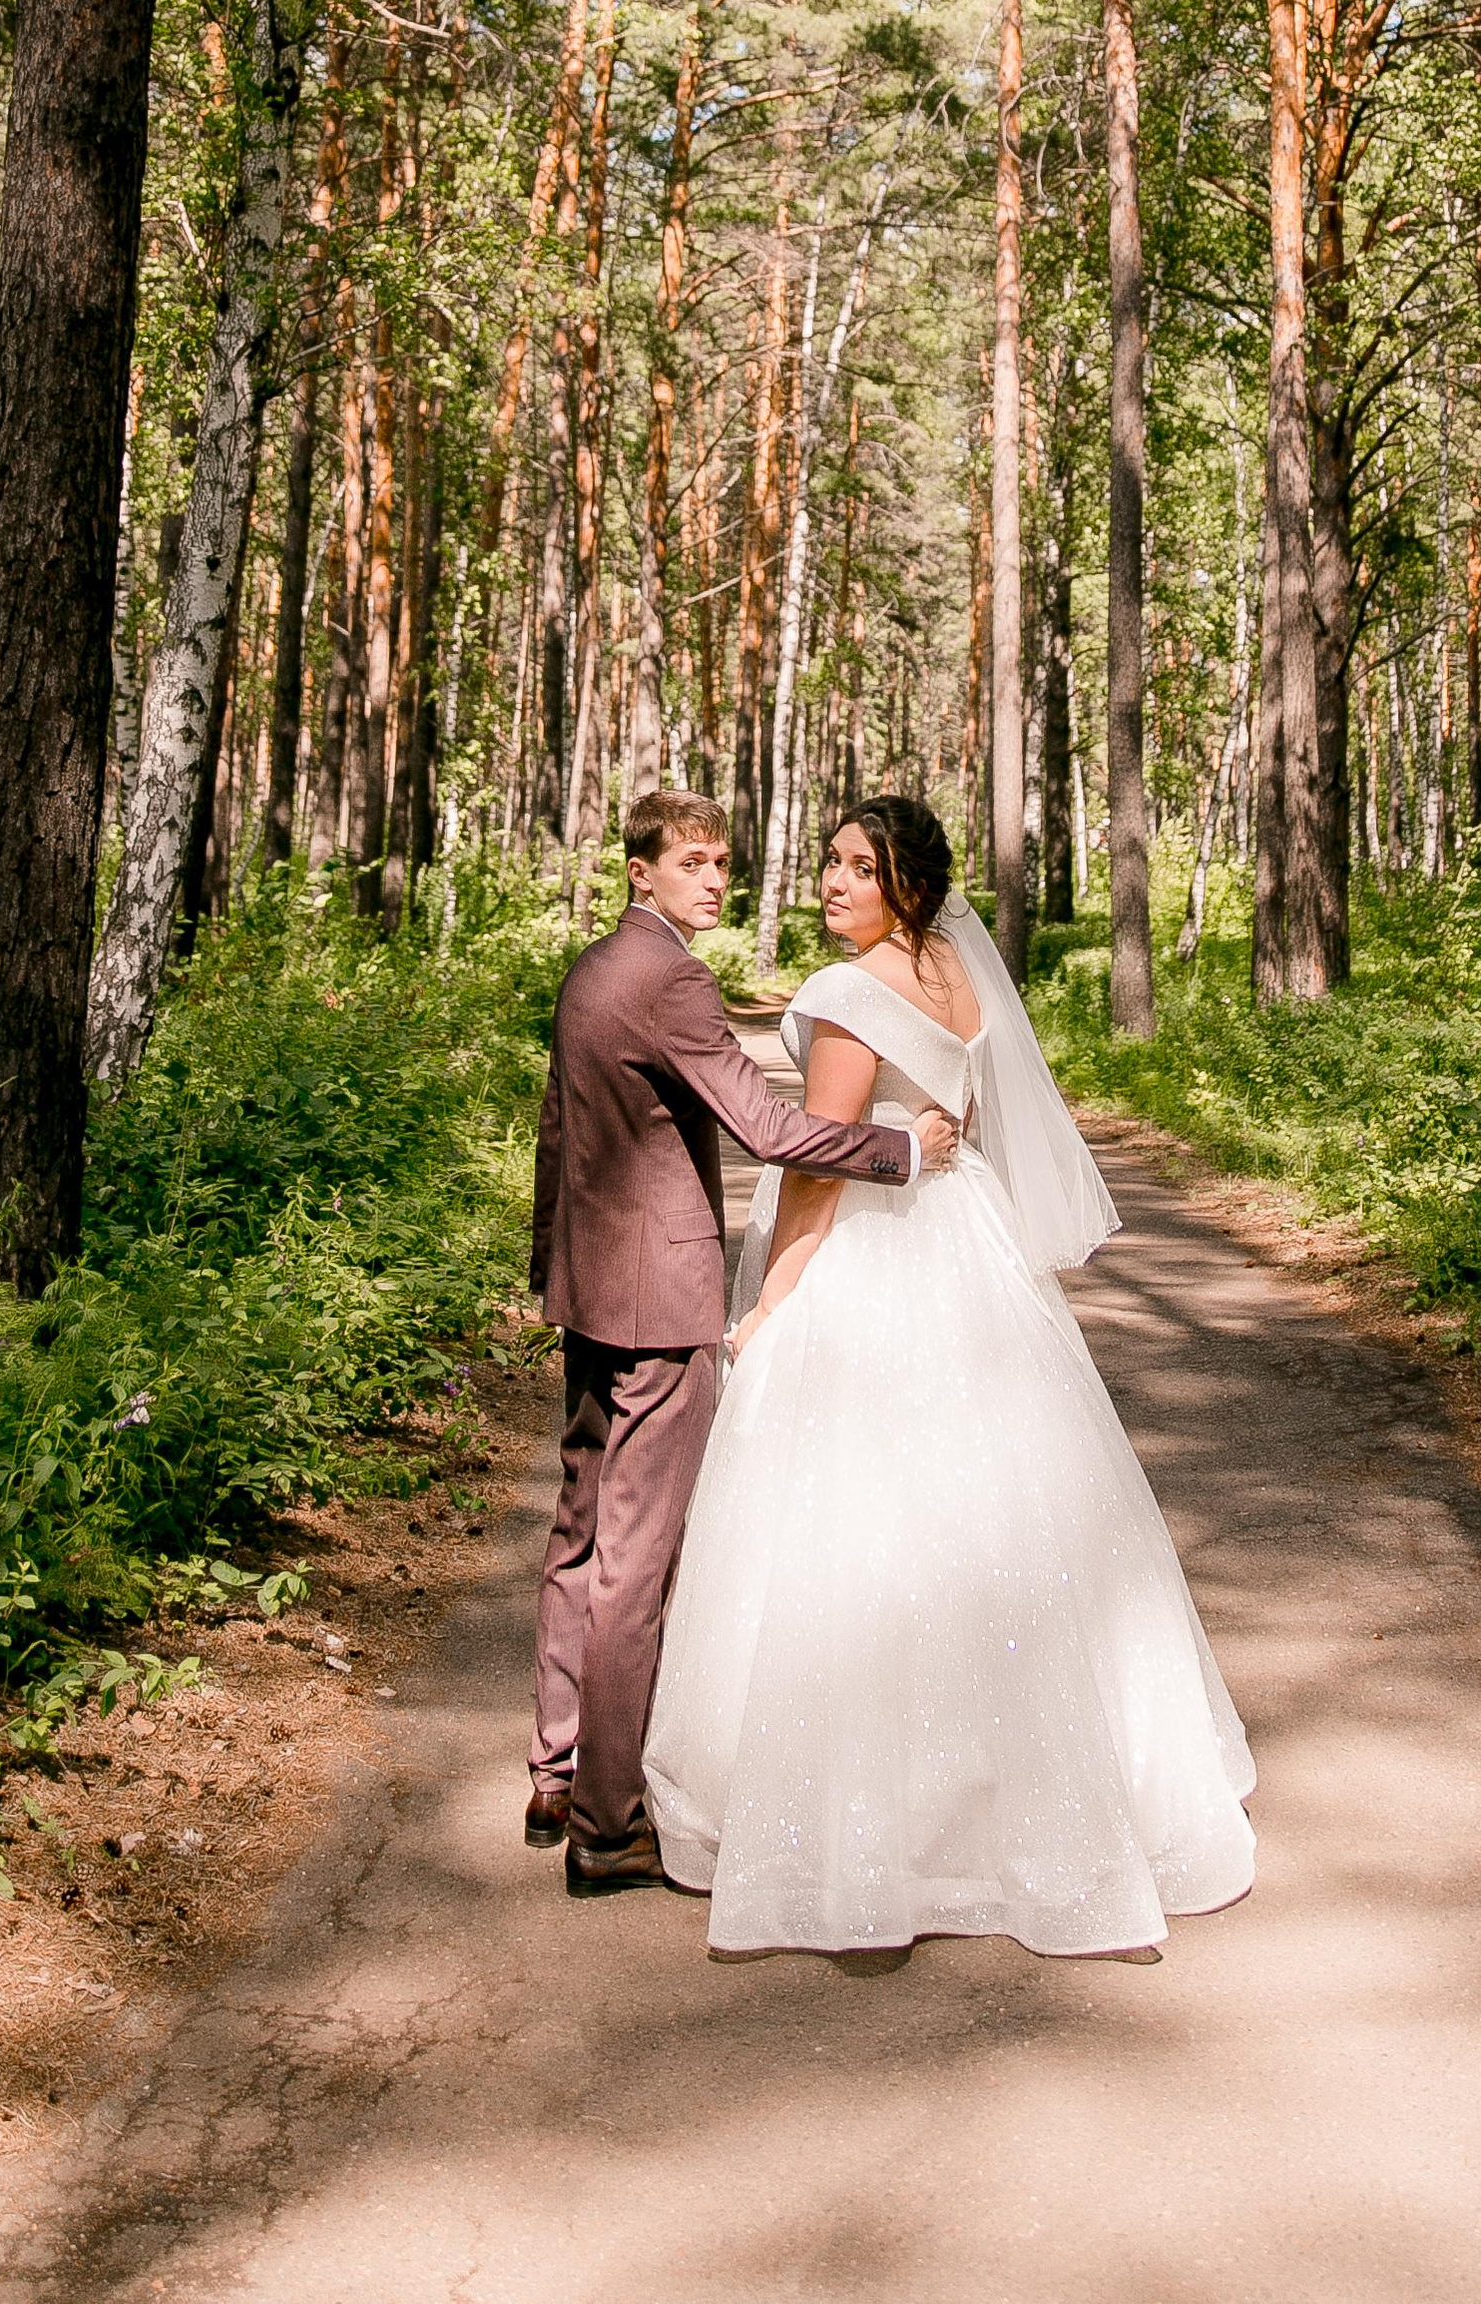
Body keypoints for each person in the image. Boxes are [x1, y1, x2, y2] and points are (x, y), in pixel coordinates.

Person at [644, 794, 1257, 1956]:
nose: (831, 883)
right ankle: (1012, 1792)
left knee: (858, 1525)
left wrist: (772, 1301)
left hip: (872, 1255)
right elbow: (962, 1120)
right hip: (968, 1244)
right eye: (828, 862)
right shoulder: (958, 979)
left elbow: (819, 1173)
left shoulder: (843, 995)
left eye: (858, 869)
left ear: (906, 888)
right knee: (1002, 1513)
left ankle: (867, 1825)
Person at [527, 786, 963, 1895]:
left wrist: (551, 1272)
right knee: (638, 1554)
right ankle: (609, 1825)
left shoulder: (591, 970)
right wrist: (900, 1150)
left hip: (586, 1286)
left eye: (723, 861)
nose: (715, 880)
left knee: (580, 1531)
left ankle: (556, 1767)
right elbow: (767, 1127)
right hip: (657, 1300)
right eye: (692, 864)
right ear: (641, 872)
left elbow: (554, 1141)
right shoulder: (670, 976)